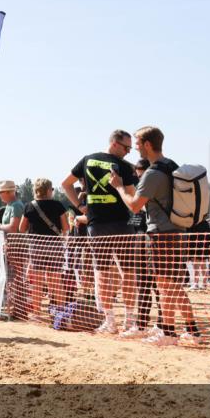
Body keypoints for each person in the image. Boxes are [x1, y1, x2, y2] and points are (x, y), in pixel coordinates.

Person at [112, 126, 199, 345]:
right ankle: (193, 331)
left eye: (138, 143)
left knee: (164, 284)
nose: (136, 148)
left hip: (161, 233)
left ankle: (168, 333)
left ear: (148, 144)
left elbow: (133, 206)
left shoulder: (152, 173)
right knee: (173, 284)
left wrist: (119, 187)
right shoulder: (172, 166)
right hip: (178, 230)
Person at [62, 129, 139, 334]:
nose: (129, 152)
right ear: (114, 143)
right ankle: (129, 321)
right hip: (122, 224)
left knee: (103, 273)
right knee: (127, 273)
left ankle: (110, 322)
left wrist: (80, 206)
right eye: (126, 147)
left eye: (131, 148)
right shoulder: (124, 166)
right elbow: (131, 198)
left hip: (97, 224)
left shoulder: (87, 160)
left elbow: (65, 184)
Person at [18, 178, 69, 320]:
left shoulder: (29, 206)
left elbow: (21, 228)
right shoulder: (58, 205)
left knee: (38, 282)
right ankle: (61, 312)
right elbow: (66, 228)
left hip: (36, 245)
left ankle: (36, 313)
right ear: (48, 190)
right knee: (56, 281)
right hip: (55, 245)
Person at [128, 159, 163, 335]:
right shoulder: (139, 189)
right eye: (136, 172)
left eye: (139, 171)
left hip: (153, 238)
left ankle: (161, 323)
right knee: (143, 284)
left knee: (159, 284)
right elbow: (133, 220)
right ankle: (141, 324)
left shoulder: (153, 187)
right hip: (140, 240)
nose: (137, 175)